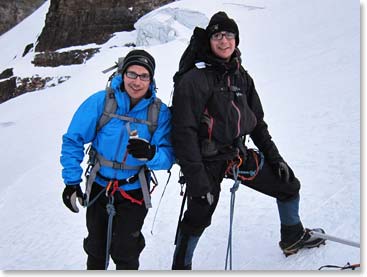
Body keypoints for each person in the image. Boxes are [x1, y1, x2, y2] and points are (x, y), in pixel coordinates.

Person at [170, 12, 325, 270]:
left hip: (235, 155)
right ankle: (180, 266)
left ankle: (292, 235)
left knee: (288, 185)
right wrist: (197, 180)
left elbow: (257, 124)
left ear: (236, 40)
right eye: (217, 35)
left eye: (229, 35)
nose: (223, 41)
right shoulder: (194, 80)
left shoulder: (241, 77)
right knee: (199, 212)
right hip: (205, 160)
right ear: (209, 40)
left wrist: (275, 158)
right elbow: (183, 133)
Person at [60, 49, 175, 270]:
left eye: (144, 76)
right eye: (132, 74)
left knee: (126, 250)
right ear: (122, 74)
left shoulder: (158, 112)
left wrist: (151, 154)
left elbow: (168, 156)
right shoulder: (101, 102)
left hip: (134, 189)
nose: (137, 81)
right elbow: (73, 139)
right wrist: (71, 182)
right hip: (99, 186)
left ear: (151, 80)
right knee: (96, 248)